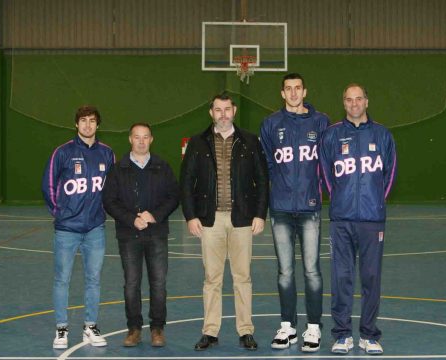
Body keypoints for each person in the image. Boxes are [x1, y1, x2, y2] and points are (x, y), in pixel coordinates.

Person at [180, 93, 269, 351]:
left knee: (243, 277)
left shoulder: (250, 141)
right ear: (211, 113)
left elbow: (262, 180)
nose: (222, 114)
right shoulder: (198, 142)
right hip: (210, 220)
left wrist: (260, 214)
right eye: (218, 110)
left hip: (242, 219)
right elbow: (186, 181)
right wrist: (191, 216)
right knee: (212, 278)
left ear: (234, 111)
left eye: (227, 109)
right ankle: (210, 331)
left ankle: (245, 330)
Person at [319, 84, 397, 355]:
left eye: (358, 99)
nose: (354, 104)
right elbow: (326, 174)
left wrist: (377, 202)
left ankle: (369, 335)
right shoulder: (331, 135)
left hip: (372, 220)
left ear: (366, 101)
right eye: (349, 100)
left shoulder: (382, 135)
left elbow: (390, 173)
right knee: (341, 277)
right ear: (344, 103)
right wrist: (337, 199)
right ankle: (341, 335)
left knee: (371, 278)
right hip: (341, 220)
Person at [259, 73, 330, 352]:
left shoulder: (321, 122)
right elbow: (265, 163)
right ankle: (287, 326)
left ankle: (313, 328)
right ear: (282, 93)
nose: (293, 93)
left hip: (311, 208)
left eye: (297, 88)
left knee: (312, 271)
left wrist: (321, 189)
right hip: (281, 210)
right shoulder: (270, 124)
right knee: (285, 272)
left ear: (305, 91)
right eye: (288, 89)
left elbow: (328, 159)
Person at [41, 105, 115, 349]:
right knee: (62, 279)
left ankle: (90, 327)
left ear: (97, 124)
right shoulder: (62, 152)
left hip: (95, 229)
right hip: (67, 230)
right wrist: (59, 213)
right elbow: (48, 185)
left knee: (93, 279)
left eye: (92, 121)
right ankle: (61, 329)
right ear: (76, 124)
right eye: (83, 120)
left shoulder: (107, 153)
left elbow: (114, 189)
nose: (87, 125)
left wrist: (103, 212)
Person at [102, 122, 179, 347]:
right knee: (131, 284)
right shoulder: (118, 169)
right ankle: (134, 329)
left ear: (151, 140)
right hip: (128, 235)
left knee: (158, 283)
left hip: (157, 234)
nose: (142, 141)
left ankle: (157, 329)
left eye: (146, 137)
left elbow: (174, 196)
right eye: (137, 137)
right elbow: (109, 201)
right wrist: (131, 219)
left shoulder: (162, 167)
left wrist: (154, 215)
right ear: (130, 139)